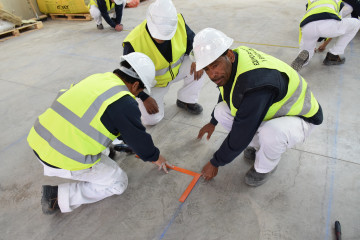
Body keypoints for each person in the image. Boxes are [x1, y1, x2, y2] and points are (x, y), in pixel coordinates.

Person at [27, 52, 170, 214]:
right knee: (118, 182)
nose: (137, 96)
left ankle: (110, 148)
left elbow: (96, 118)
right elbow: (139, 139)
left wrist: (125, 139)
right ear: (136, 85)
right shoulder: (124, 102)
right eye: (139, 92)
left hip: (40, 138)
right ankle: (57, 198)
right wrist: (155, 157)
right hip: (64, 156)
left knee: (102, 126)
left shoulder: (97, 79)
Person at [193, 28, 323, 186]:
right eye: (207, 69)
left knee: (272, 133)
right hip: (274, 109)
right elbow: (228, 91)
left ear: (229, 56)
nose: (212, 74)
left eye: (215, 65)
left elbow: (241, 133)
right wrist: (213, 122)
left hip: (301, 116)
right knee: (221, 111)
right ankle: (259, 147)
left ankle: (265, 167)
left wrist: (215, 162)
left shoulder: (255, 86)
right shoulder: (235, 59)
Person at [122, 0, 206, 126]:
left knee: (203, 65)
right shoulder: (133, 42)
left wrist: (197, 59)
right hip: (153, 85)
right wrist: (144, 97)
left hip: (177, 70)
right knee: (151, 120)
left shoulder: (178, 23)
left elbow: (192, 43)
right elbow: (127, 78)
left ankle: (186, 100)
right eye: (159, 34)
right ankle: (150, 101)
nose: (162, 38)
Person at [291, 0, 360, 71]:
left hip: (307, 25)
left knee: (307, 50)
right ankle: (334, 54)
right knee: (356, 23)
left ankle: (305, 58)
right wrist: (324, 45)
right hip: (327, 23)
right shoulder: (338, 2)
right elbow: (336, 22)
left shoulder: (311, 1)